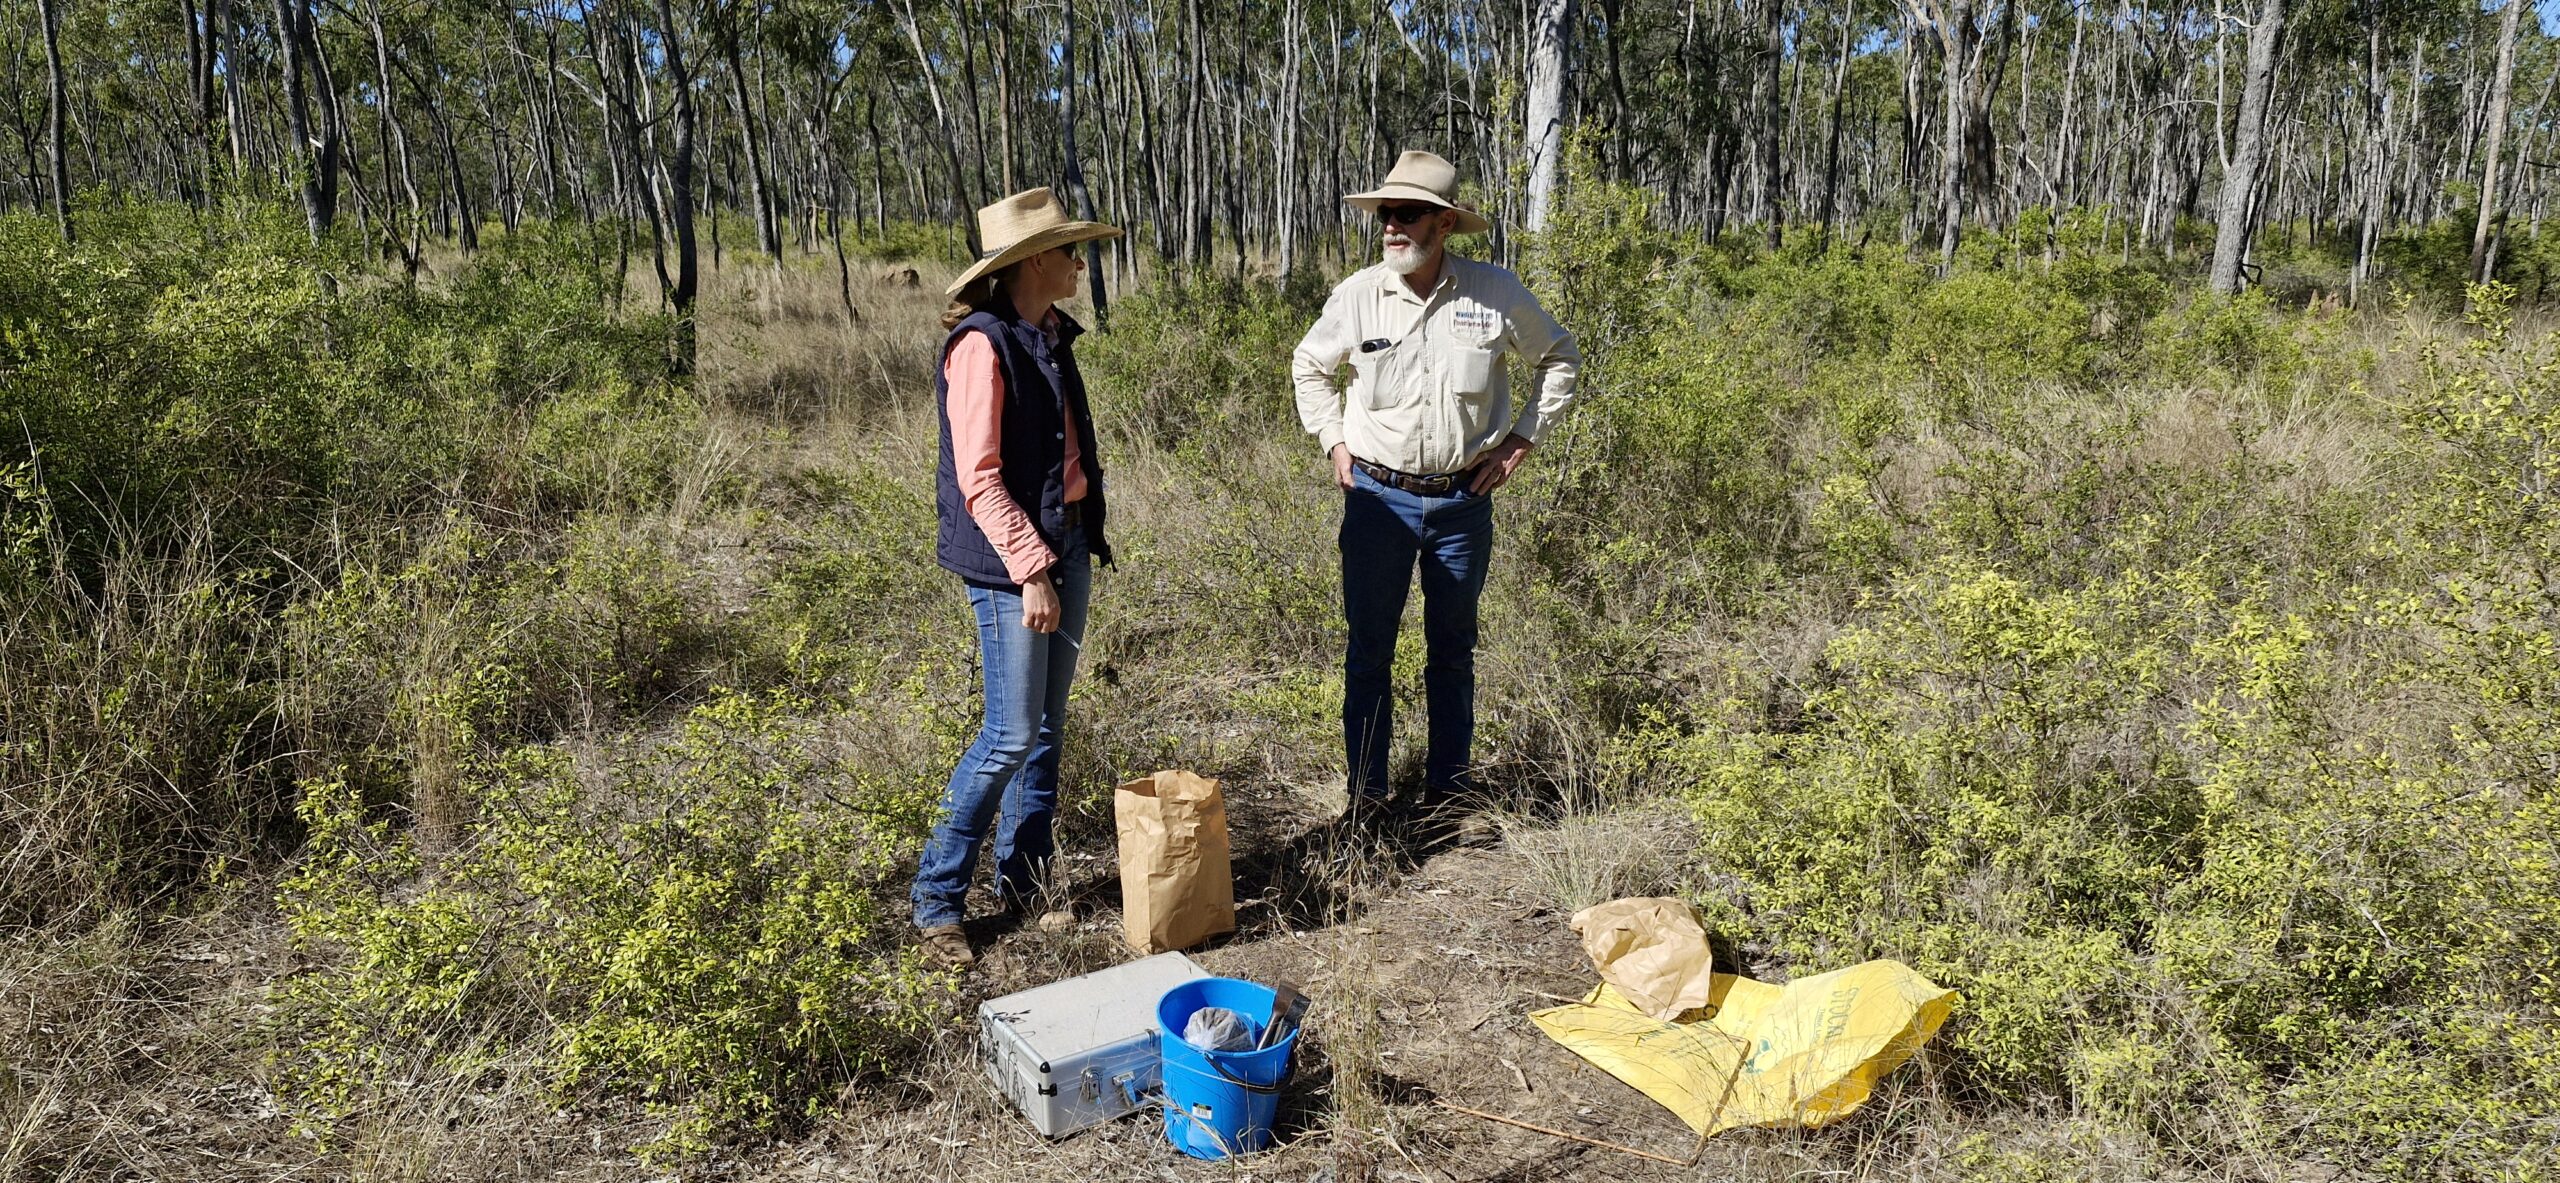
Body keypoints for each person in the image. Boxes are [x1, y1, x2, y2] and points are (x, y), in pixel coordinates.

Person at [1290, 150, 1581, 843]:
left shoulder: (1496, 292)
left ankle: (1449, 796)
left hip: (1460, 505)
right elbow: (1308, 364)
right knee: (1369, 653)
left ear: (1445, 223)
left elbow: (1560, 358)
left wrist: (1520, 442)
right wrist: (1333, 439)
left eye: (1407, 214)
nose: (1391, 226)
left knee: (1453, 651)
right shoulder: (1358, 295)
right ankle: (1367, 802)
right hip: (1377, 501)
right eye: (1385, 214)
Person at [912, 188, 1121, 970]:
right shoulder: (983, 344)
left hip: (1062, 544)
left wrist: (1063, 548)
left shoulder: (1048, 335)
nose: (1078, 261)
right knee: (1007, 734)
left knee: (1044, 731)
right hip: (1013, 563)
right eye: (1069, 250)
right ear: (1034, 260)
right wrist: (1032, 569)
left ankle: (1023, 887)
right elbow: (981, 477)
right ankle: (937, 902)